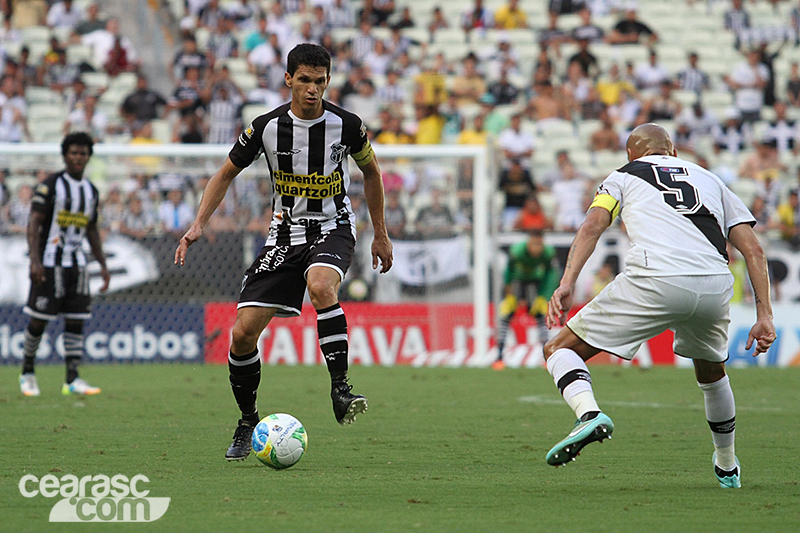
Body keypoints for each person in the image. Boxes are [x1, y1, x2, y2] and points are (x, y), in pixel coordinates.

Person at [175, 44, 393, 462]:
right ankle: (247, 420)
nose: (313, 89)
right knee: (241, 336)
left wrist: (380, 233)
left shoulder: (347, 125)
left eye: (321, 81)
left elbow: (372, 172)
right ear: (289, 79)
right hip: (283, 237)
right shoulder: (266, 127)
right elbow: (225, 173)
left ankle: (340, 388)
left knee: (321, 285)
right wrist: (199, 222)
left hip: (333, 229)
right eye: (306, 80)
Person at [542, 123, 776, 490]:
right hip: (714, 283)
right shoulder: (711, 179)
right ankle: (727, 466)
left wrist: (568, 281)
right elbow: (754, 250)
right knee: (711, 373)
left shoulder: (623, 175)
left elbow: (592, 226)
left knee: (558, 348)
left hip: (656, 278)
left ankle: (588, 413)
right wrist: (764, 316)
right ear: (673, 152)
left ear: (632, 156)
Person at [19, 132, 110, 397]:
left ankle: (72, 379)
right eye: (74, 152)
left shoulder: (90, 191)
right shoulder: (50, 185)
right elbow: (34, 222)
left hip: (78, 264)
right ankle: (27, 372)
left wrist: (102, 264)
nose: (78, 157)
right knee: (39, 320)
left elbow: (91, 229)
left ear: (88, 157)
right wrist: (34, 260)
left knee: (76, 321)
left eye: (83, 153)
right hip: (49, 263)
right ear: (65, 155)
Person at [493, 230, 559, 370]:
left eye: (539, 244)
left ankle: (547, 358)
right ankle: (499, 357)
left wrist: (544, 296)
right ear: (528, 243)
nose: (536, 249)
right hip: (516, 281)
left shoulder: (548, 254)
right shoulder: (517, 252)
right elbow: (508, 271)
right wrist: (508, 292)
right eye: (533, 244)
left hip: (534, 282)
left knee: (541, 317)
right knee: (506, 315)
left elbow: (550, 274)